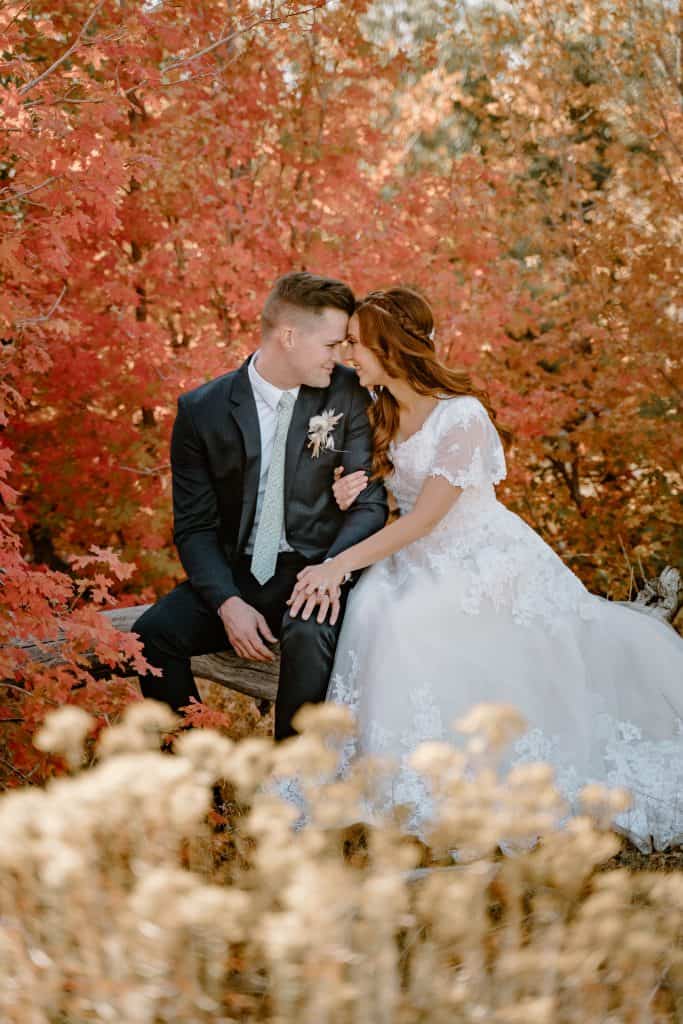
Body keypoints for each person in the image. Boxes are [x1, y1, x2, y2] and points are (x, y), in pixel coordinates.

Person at [288, 286, 683, 852]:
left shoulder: (461, 418)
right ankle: (379, 774)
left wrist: (338, 565)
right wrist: (348, 490)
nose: (350, 354)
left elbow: (425, 518)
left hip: (482, 560)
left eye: (358, 344)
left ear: (393, 349)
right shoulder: (378, 409)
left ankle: (447, 781)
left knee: (413, 622)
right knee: (373, 606)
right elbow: (385, 502)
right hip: (412, 558)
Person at [133, 272, 387, 740]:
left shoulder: (348, 392)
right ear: (289, 336)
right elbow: (194, 526)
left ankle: (291, 789)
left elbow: (370, 504)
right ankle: (195, 789)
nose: (342, 356)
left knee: (309, 632)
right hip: (238, 572)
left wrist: (331, 569)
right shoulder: (201, 411)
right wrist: (228, 602)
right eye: (331, 345)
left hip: (316, 566)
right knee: (149, 637)